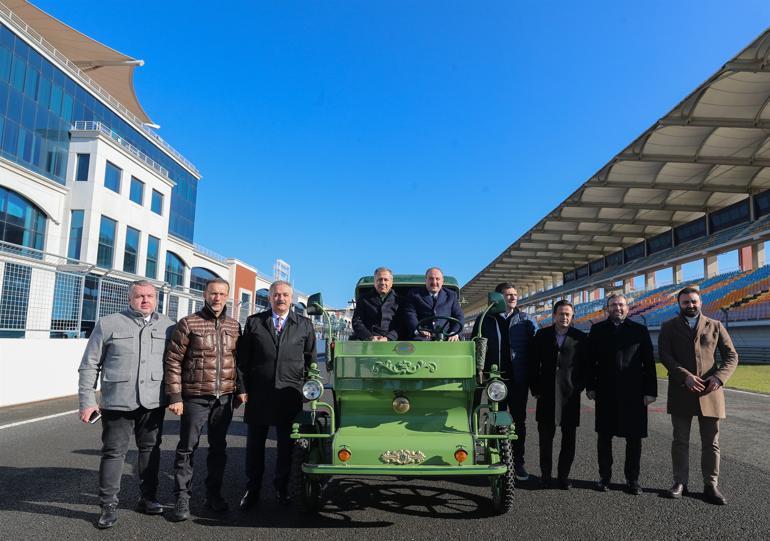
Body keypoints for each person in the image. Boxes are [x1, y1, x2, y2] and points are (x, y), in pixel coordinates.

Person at [77, 280, 174, 529]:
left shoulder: (169, 326)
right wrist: (87, 401)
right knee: (113, 453)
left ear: (156, 298)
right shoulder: (108, 323)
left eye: (150, 296)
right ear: (130, 298)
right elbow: (90, 364)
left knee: (150, 450)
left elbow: (176, 365)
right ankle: (108, 505)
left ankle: (148, 498)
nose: (145, 300)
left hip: (153, 401)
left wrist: (176, 397)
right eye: (140, 296)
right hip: (117, 401)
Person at [164, 277, 244, 522]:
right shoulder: (189, 323)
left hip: (224, 399)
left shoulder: (234, 326)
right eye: (212, 293)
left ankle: (214, 495)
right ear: (204, 295)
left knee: (218, 449)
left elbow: (238, 362)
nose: (217, 298)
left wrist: (240, 389)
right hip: (195, 397)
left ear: (227, 297)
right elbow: (173, 361)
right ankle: (182, 497)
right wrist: (175, 396)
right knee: (187, 449)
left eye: (221, 294)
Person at [237, 280, 317, 510]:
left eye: (284, 295)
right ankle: (252, 490)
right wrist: (242, 389)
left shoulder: (304, 325)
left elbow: (311, 361)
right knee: (254, 447)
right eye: (276, 295)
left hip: (289, 395)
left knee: (286, 448)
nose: (280, 298)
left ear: (291, 298)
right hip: (259, 395)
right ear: (269, 298)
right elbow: (243, 361)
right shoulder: (254, 323)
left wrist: (309, 390)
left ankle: (282, 489)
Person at [659, 286, 739, 505]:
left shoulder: (716, 325)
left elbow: (731, 356)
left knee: (711, 443)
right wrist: (684, 376)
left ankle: (710, 485)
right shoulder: (668, 327)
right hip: (681, 390)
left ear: (700, 302)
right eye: (685, 302)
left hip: (710, 392)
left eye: (693, 301)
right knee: (680, 441)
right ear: (679, 304)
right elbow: (665, 355)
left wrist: (719, 378)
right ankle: (679, 482)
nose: (690, 305)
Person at [586, 293, 657, 495]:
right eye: (613, 305)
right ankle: (604, 477)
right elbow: (590, 362)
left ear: (628, 307)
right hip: (605, 391)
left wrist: (651, 391)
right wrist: (590, 386)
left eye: (621, 304)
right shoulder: (597, 329)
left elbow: (649, 363)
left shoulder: (639, 330)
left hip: (634, 392)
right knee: (604, 437)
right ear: (607, 308)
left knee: (634, 439)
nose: (618, 308)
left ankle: (632, 479)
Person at [471, 282, 536, 481]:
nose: (513, 298)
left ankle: (518, 462)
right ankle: (491, 458)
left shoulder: (526, 320)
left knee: (519, 422)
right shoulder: (485, 319)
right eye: (508, 295)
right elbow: (475, 346)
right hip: (494, 381)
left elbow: (536, 347)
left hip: (517, 379)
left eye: (515, 294)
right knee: (492, 419)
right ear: (498, 298)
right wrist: (478, 372)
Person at [529, 300, 588, 489]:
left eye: (568, 314)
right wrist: (535, 388)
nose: (564, 317)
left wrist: (578, 386)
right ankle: (545, 475)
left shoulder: (580, 337)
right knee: (545, 439)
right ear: (554, 316)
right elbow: (533, 364)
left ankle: (563, 476)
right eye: (561, 314)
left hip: (569, 396)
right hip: (546, 394)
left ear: (572, 317)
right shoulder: (542, 335)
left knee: (568, 439)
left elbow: (586, 365)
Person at [404, 267, 464, 341]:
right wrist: (418, 330)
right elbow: (410, 314)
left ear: (442, 281)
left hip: (446, 337)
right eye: (431, 278)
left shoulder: (451, 295)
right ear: (425, 280)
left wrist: (454, 332)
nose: (434, 282)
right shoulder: (414, 294)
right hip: (422, 337)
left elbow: (459, 316)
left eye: (437, 279)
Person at [351, 267, 399, 341]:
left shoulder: (400, 301)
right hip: (367, 341)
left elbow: (402, 324)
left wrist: (388, 338)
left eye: (386, 280)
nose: (382, 282)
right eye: (379, 279)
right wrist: (369, 337)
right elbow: (357, 321)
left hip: (392, 342)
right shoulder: (363, 299)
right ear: (374, 282)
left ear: (391, 283)